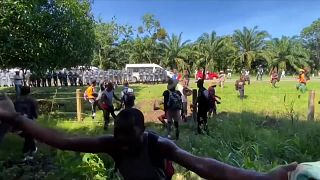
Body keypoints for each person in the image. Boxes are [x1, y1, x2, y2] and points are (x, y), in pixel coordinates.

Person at [0, 104, 297, 180]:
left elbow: (207, 167)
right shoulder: (112, 143)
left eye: (130, 138)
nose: (123, 145)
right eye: (119, 137)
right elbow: (65, 141)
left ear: (144, 131)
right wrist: (21, 121)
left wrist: (262, 177)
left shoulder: (160, 145)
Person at [13, 86, 38, 161]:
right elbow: (35, 114)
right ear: (29, 92)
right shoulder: (32, 101)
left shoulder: (16, 101)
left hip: (17, 122)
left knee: (29, 136)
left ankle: (32, 150)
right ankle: (27, 153)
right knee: (29, 136)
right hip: (27, 122)